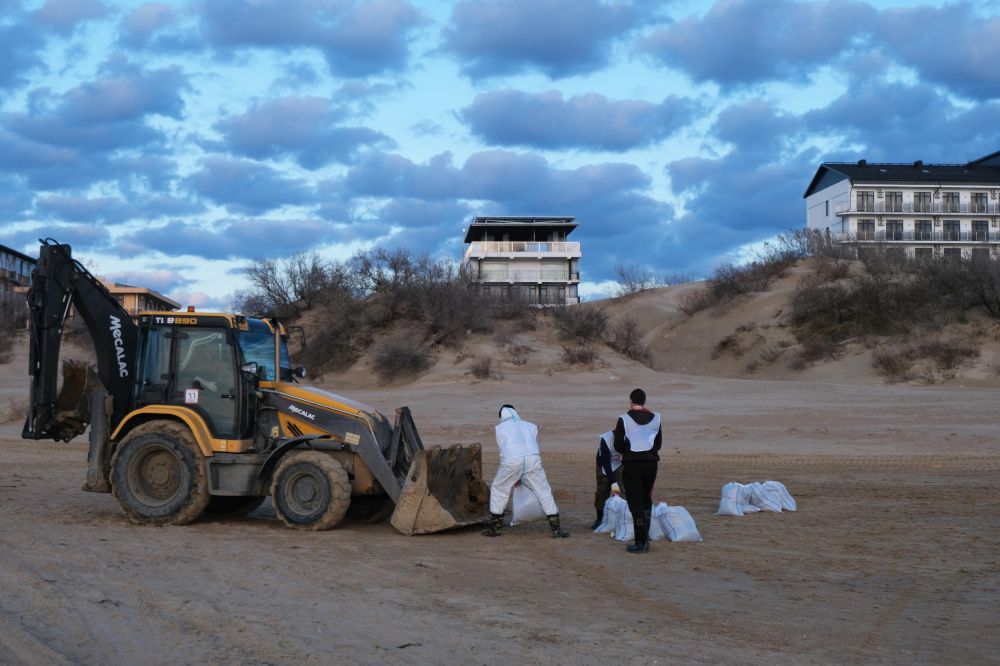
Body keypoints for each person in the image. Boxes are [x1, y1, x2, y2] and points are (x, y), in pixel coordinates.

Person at [482, 405, 569, 539]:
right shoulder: (531, 426)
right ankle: (557, 529)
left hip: (511, 460)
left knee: (499, 489)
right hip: (533, 459)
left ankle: (496, 528)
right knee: (544, 490)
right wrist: (520, 474)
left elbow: (503, 451)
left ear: (502, 416)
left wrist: (515, 475)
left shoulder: (500, 429)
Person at [613, 388, 662, 554]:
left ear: (631, 401)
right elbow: (658, 444)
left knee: (636, 502)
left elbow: (618, 445)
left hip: (633, 464)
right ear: (644, 401)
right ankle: (644, 539)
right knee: (646, 499)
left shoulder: (624, 419)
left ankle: (640, 542)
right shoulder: (656, 418)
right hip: (651, 464)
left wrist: (627, 451)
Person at [591, 430, 625, 530]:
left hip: (619, 465)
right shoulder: (606, 440)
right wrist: (613, 482)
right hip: (603, 466)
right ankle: (600, 519)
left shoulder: (628, 437)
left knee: (621, 492)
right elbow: (606, 464)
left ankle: (621, 519)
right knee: (602, 492)